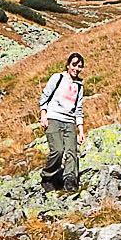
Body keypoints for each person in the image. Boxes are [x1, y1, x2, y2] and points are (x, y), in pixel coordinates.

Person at [38, 52, 86, 191]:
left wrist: (81, 129)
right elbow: (45, 96)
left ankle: (70, 180)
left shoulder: (79, 86)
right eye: (74, 65)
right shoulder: (57, 78)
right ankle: (48, 176)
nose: (76, 69)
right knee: (58, 150)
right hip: (53, 119)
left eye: (80, 67)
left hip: (69, 121)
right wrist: (43, 114)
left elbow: (79, 108)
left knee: (72, 151)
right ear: (68, 65)